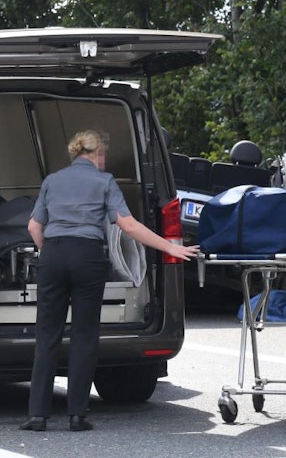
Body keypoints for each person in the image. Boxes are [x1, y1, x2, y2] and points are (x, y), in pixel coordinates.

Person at [19, 129, 200, 432]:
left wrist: (48, 253)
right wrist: (169, 246)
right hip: (87, 256)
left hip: (54, 255)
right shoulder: (104, 182)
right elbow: (127, 224)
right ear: (96, 153)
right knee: (84, 334)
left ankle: (38, 415)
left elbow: (34, 225)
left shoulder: (52, 181)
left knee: (47, 334)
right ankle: (77, 414)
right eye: (103, 154)